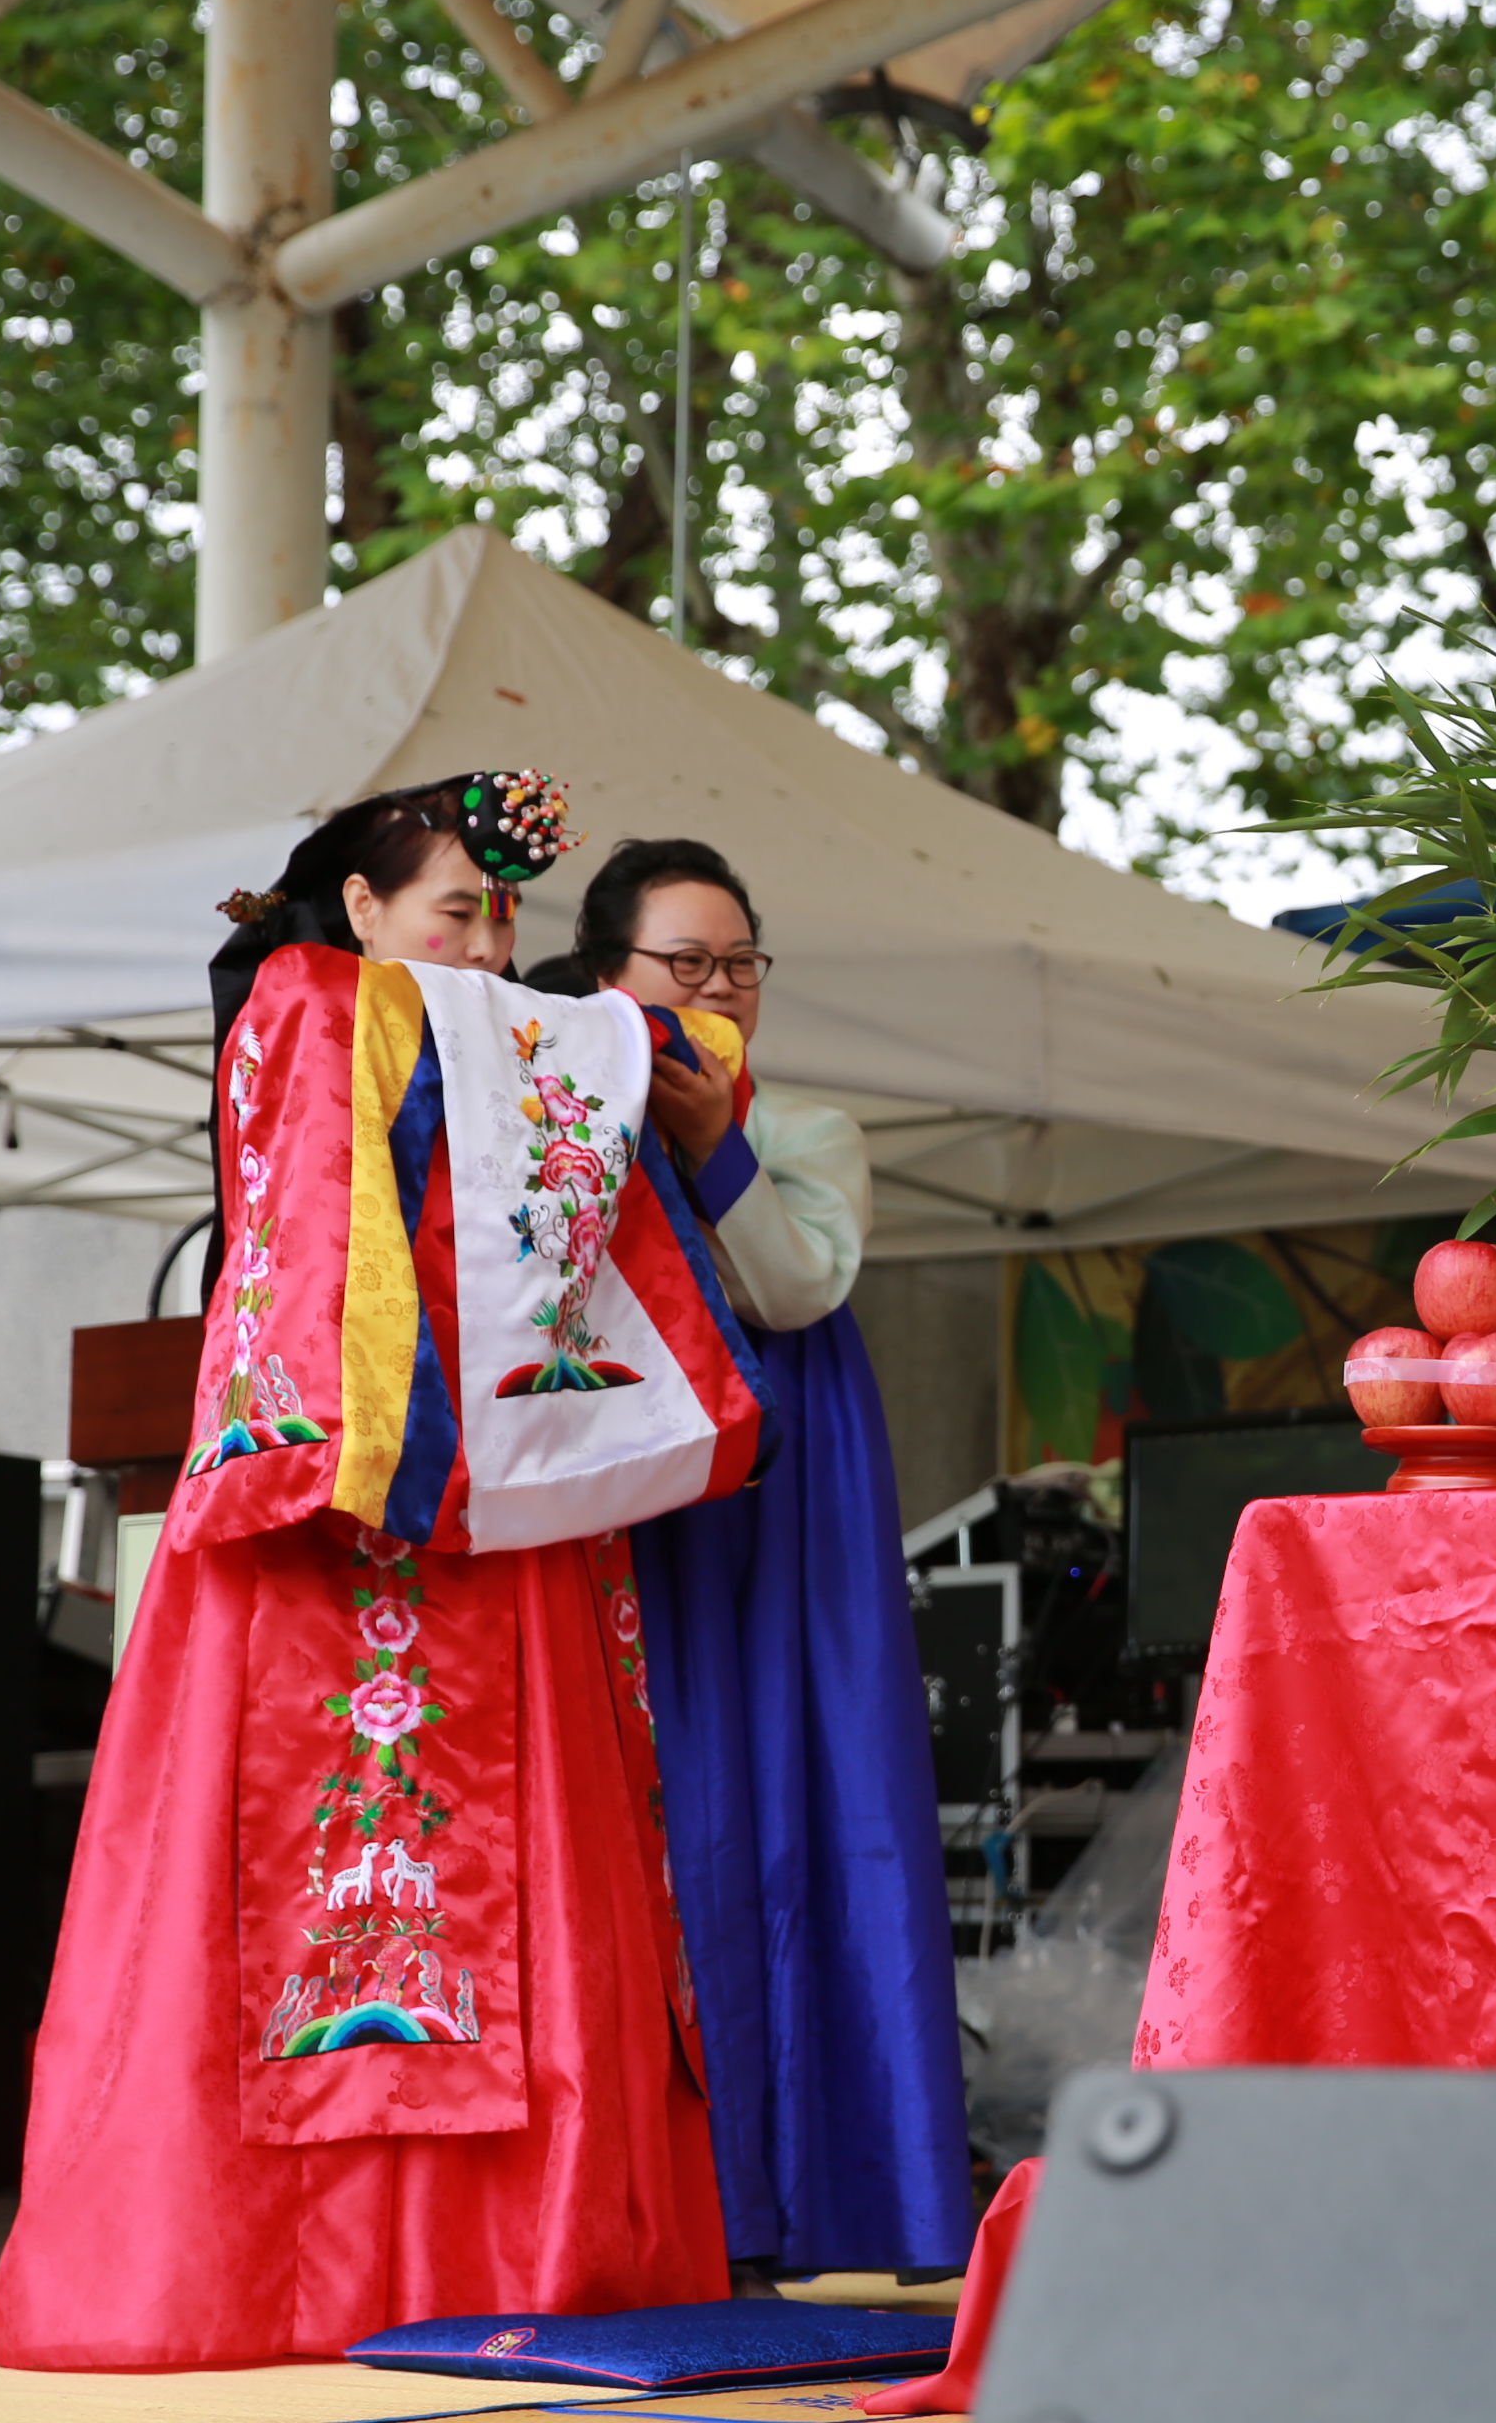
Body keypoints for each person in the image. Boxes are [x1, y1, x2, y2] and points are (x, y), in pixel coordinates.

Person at [0, 776, 745, 2368]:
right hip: (323, 1525)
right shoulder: (296, 1007)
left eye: (504, 914)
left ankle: (514, 2261)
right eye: (453, 911)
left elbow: (674, 1070)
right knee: (298, 1877)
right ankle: (268, 2278)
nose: (489, 943)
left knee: (508, 1886)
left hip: (499, 1512)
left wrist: (642, 1029)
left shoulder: (516, 1035)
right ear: (361, 912)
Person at [533, 838, 972, 2271]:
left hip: (779, 1507)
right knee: (645, 1821)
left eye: (740, 962)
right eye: (685, 963)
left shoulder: (815, 1132)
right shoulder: (555, 1129)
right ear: (610, 979)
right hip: (622, 1502)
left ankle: (808, 2188)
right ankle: (643, 2199)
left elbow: (791, 1288)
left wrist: (718, 1148)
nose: (719, 989)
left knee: (795, 1813)